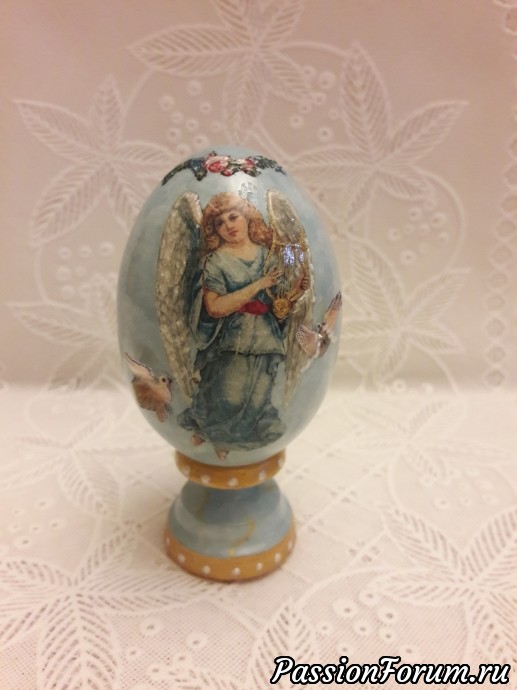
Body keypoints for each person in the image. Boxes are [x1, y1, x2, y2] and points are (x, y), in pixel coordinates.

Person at [177, 192, 288, 458]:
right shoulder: (215, 262)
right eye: (220, 223)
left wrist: (292, 289)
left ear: (248, 218)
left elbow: (285, 285)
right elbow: (215, 307)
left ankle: (237, 444)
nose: (228, 225)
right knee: (230, 397)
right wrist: (258, 285)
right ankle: (218, 438)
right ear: (214, 231)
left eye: (233, 216)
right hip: (232, 337)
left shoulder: (268, 255)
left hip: (265, 336)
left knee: (258, 397)